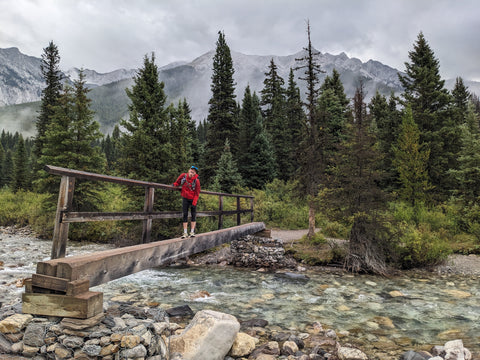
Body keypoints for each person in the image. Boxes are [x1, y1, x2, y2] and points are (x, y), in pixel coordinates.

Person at [173, 166, 201, 238]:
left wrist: (194, 202)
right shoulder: (183, 176)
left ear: (195, 173)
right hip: (185, 198)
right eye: (191, 170)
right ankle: (185, 232)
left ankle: (192, 232)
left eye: (194, 171)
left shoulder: (196, 181)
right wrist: (175, 185)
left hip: (192, 199)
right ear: (189, 170)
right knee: (185, 214)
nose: (192, 171)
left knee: (193, 215)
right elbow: (178, 182)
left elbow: (197, 193)